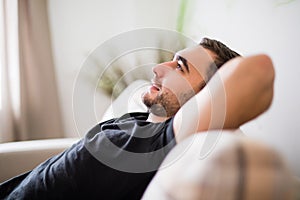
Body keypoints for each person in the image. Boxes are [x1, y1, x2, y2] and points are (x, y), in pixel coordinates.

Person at [0, 38, 275, 199]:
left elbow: (258, 70)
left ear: (208, 96)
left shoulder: (158, 146)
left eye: (180, 66)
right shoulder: (138, 122)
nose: (157, 68)